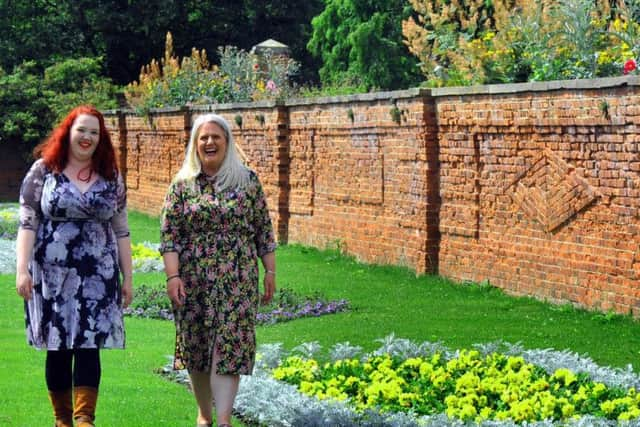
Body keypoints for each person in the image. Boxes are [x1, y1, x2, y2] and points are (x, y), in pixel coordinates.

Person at [15, 105, 133, 427]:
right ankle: (62, 420)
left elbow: (122, 229)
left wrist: (128, 278)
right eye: (82, 130)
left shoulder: (110, 175)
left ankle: (85, 420)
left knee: (89, 344)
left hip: (99, 273)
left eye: (94, 132)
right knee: (57, 345)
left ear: (101, 138)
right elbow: (27, 223)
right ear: (68, 131)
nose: (87, 137)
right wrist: (21, 269)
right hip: (52, 274)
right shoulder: (44, 170)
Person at [160, 113, 276, 427]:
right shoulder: (182, 184)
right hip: (193, 279)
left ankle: (223, 420)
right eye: (203, 138)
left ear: (227, 142)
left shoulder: (247, 180)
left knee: (231, 345)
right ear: (195, 145)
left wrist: (270, 272)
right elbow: (169, 234)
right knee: (197, 347)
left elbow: (263, 230)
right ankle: (204, 415)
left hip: (238, 279)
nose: (210, 142)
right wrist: (173, 277)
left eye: (216, 137)